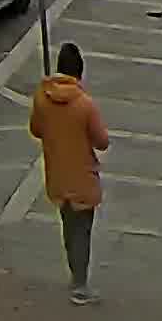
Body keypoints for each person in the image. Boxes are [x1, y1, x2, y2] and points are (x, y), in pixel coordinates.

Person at [29, 44, 109, 302]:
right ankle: (80, 284)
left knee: (67, 226)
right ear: (80, 72)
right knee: (82, 231)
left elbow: (36, 129)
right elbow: (102, 141)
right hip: (82, 176)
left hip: (57, 173)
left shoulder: (42, 97)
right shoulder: (85, 105)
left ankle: (74, 274)